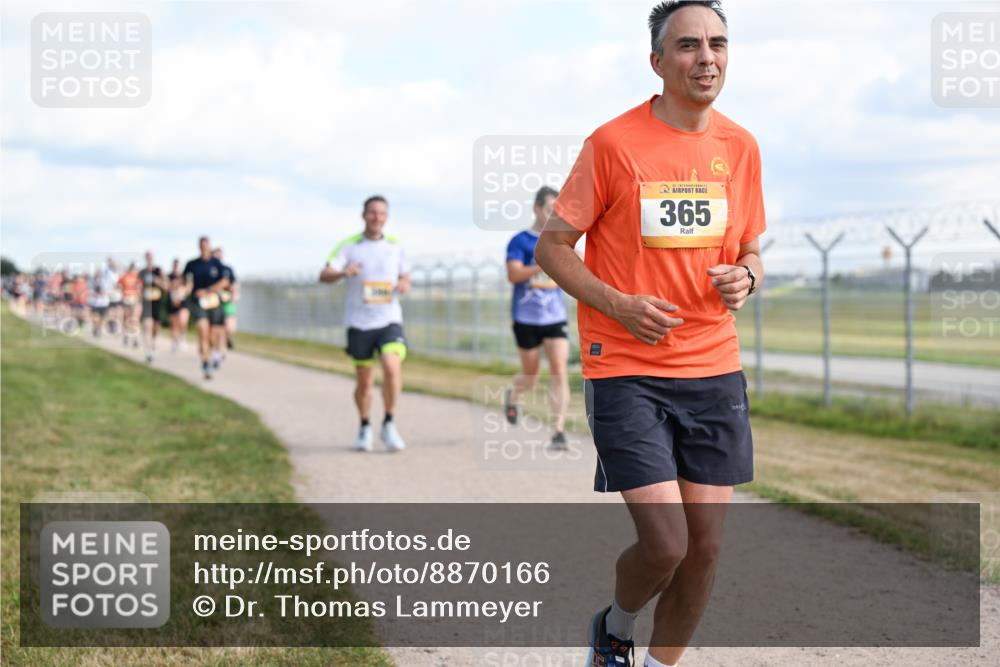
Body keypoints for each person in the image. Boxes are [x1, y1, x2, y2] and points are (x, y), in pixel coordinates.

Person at [534, 3, 766, 666]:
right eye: (689, 45)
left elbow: (750, 249)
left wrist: (747, 276)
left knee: (706, 548)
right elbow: (554, 248)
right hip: (627, 368)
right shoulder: (613, 143)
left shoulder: (740, 146)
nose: (707, 57)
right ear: (658, 61)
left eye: (718, 43)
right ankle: (615, 626)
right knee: (667, 543)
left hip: (714, 368)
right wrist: (619, 304)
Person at [320, 195, 410, 453]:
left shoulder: (395, 246)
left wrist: (404, 283)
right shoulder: (350, 246)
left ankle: (389, 422)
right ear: (364, 215)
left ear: (386, 217)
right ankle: (364, 425)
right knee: (365, 382)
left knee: (392, 368)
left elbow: (405, 274)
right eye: (372, 212)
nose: (377, 217)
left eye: (382, 213)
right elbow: (324, 274)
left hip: (389, 319)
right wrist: (342, 272)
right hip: (359, 323)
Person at [503, 186, 571, 450]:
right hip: (526, 318)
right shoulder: (520, 241)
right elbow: (514, 275)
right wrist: (544, 263)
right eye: (549, 209)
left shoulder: (561, 241)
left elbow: (579, 265)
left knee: (559, 369)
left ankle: (558, 431)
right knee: (531, 376)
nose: (553, 215)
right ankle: (513, 394)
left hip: (554, 317)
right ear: (536, 208)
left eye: (558, 211)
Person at [183, 237, 229, 379]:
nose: (204, 248)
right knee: (203, 331)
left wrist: (209, 290)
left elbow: (225, 281)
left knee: (213, 335)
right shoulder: (192, 264)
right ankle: (205, 362)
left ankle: (214, 353)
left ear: (209, 246)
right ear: (199, 247)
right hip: (199, 303)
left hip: (214, 303)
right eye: (202, 245)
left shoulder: (217, 264)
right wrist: (185, 289)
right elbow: (185, 281)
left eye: (206, 245)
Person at [139, 251, 165, 363]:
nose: (149, 259)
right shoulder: (142, 272)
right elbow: (138, 287)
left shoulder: (158, 271)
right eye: (148, 257)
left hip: (157, 302)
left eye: (151, 257)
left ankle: (153, 342)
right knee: (146, 325)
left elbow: (165, 286)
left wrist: (157, 281)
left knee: (156, 326)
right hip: (146, 302)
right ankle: (148, 351)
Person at [212, 247, 239, 351]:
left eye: (219, 255)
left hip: (227, 302)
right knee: (218, 328)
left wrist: (234, 295)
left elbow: (235, 283)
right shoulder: (210, 270)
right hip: (214, 302)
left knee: (230, 328)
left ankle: (229, 339)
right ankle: (219, 350)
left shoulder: (227, 269)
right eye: (216, 255)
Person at [166, 258, 188, 352]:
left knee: (183, 321)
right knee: (174, 324)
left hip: (182, 302)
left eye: (178, 265)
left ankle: (182, 339)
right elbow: (167, 287)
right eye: (175, 265)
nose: (176, 267)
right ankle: (174, 342)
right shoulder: (169, 276)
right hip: (172, 302)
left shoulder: (184, 276)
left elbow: (188, 287)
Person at [118, 262, 142, 348]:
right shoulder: (124, 276)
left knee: (134, 319)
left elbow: (140, 288)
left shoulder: (137, 276)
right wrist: (123, 293)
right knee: (127, 319)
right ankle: (126, 336)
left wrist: (138, 296)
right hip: (126, 299)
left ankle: (135, 338)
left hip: (134, 299)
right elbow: (119, 285)